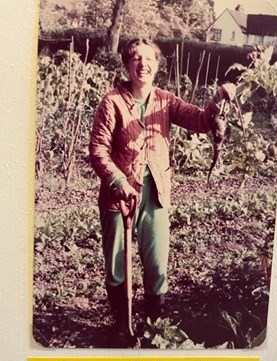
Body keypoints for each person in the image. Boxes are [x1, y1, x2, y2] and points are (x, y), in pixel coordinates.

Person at [89, 38, 235, 331]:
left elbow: (201, 120)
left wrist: (218, 99)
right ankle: (122, 324)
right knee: (116, 266)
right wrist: (118, 180)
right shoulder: (112, 102)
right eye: (136, 59)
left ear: (157, 65)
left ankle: (154, 325)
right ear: (127, 65)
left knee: (157, 264)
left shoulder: (166, 100)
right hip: (119, 196)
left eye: (149, 59)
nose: (143, 64)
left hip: (155, 192)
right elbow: (97, 150)